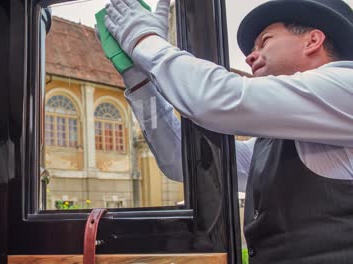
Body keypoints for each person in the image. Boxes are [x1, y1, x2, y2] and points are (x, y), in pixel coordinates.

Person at [101, 0, 353, 263]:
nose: (249, 56)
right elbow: (181, 159)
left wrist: (144, 39)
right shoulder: (273, 141)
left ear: (312, 40)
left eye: (264, 41)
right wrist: (137, 78)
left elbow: (217, 99)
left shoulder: (347, 88)